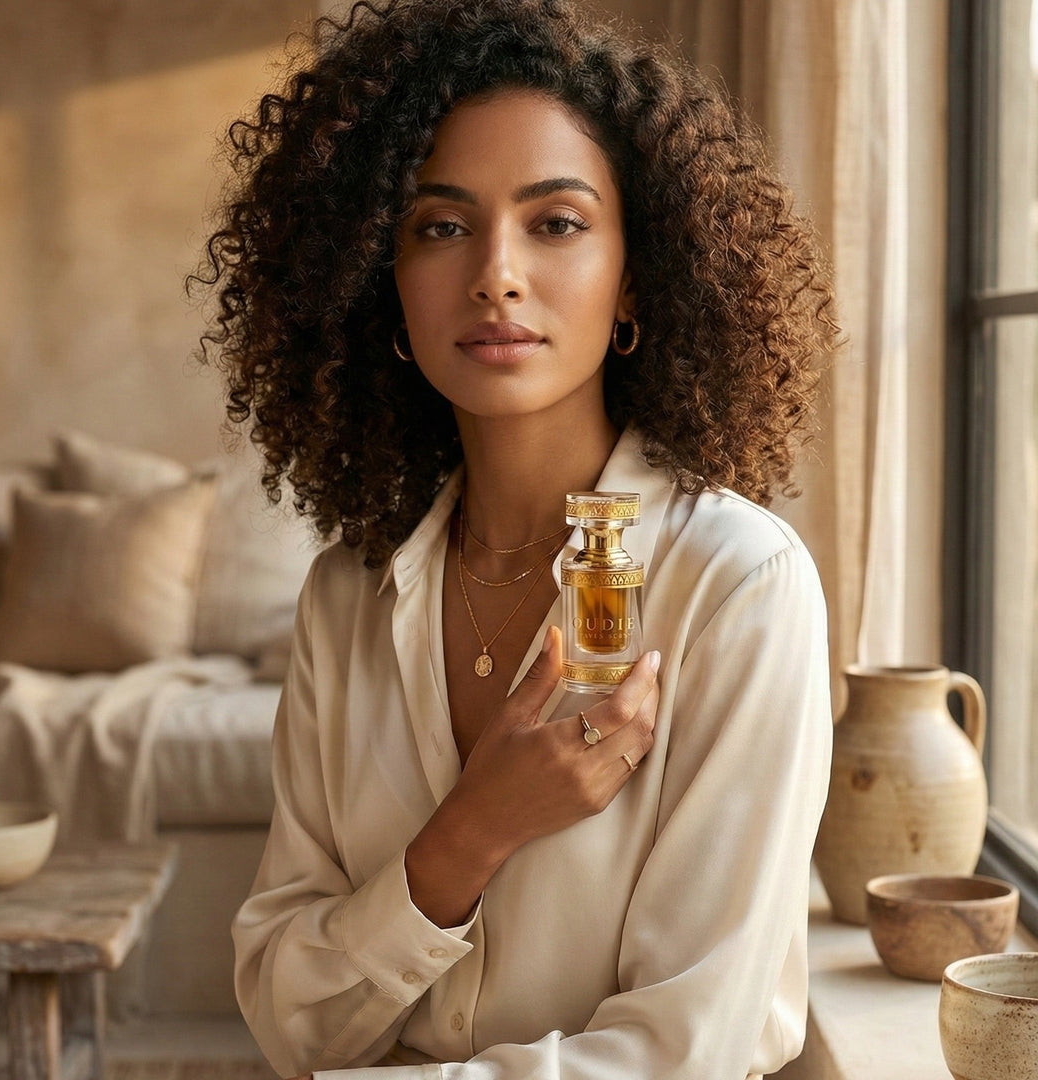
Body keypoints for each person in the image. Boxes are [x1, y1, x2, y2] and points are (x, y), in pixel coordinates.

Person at [194, 0, 839, 1076]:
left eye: (557, 222)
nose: (495, 271)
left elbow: (686, 1047)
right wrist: (471, 832)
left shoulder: (740, 587)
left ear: (636, 275)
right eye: (441, 226)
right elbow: (287, 1009)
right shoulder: (345, 599)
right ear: (381, 284)